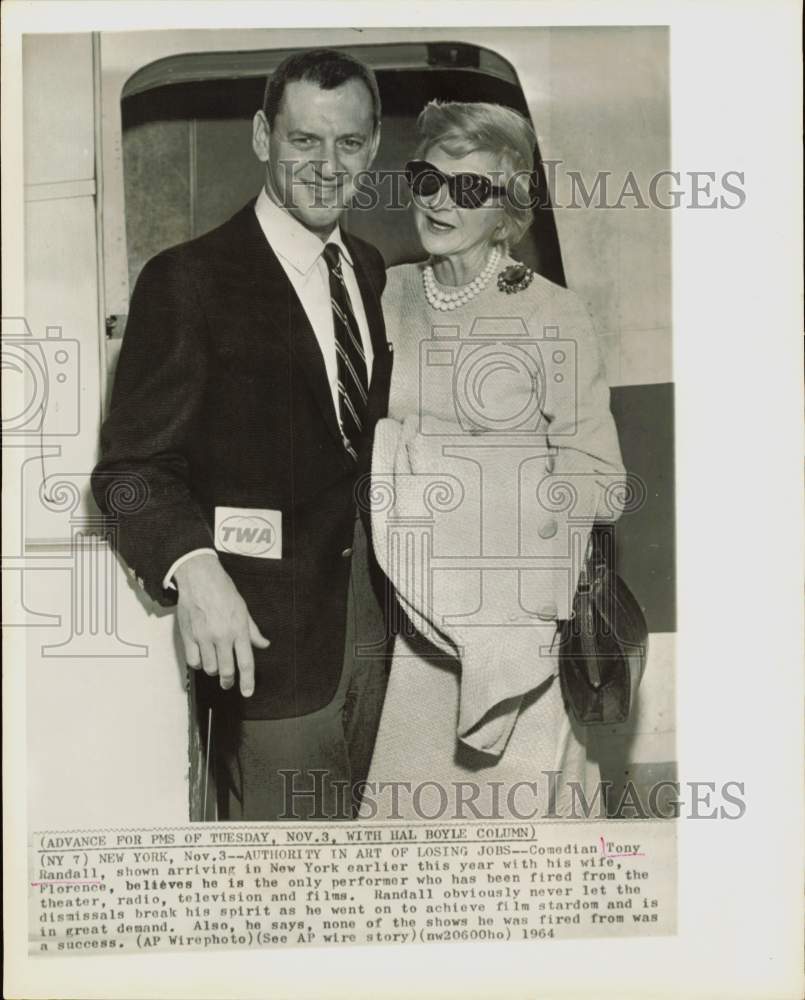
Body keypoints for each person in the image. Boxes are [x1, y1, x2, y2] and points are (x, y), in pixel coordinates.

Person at [92, 49, 394, 821]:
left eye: (349, 143)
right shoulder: (187, 279)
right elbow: (129, 472)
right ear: (263, 136)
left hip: (377, 631)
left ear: (374, 145)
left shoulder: (366, 268)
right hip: (263, 649)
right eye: (303, 141)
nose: (327, 167)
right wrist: (194, 568)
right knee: (281, 882)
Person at [362, 101, 626, 821]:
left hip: (515, 627)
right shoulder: (383, 294)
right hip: (413, 628)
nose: (440, 201)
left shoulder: (551, 314)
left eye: (470, 189)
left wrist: (525, 593)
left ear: (507, 208)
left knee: (532, 855)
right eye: (427, 178)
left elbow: (599, 483)